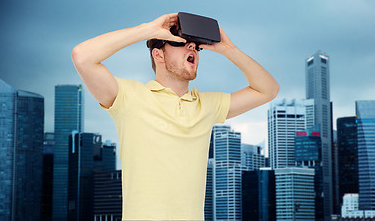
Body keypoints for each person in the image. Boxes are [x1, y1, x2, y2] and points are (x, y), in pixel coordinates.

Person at [71, 13, 279, 220]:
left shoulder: (207, 105)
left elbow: (268, 90)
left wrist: (229, 50)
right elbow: (82, 56)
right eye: (180, 43)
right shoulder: (129, 97)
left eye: (195, 46)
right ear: (158, 55)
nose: (191, 48)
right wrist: (146, 30)